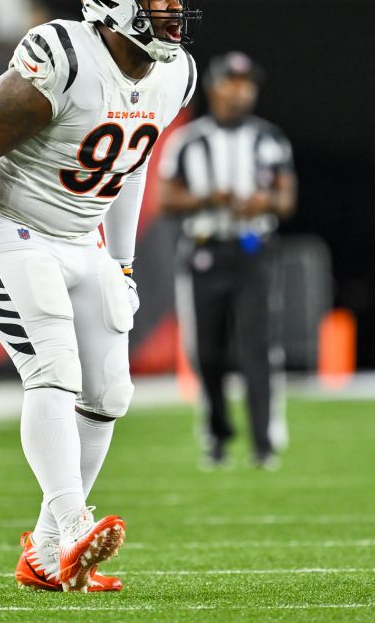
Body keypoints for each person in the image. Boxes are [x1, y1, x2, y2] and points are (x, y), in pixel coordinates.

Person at [0, 0, 201, 593]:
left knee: (109, 392)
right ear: (114, 0)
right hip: (5, 228)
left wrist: (122, 266)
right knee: (54, 367)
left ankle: (46, 553)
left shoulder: (173, 75)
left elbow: (131, 168)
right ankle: (73, 526)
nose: (173, 12)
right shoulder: (63, 58)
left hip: (80, 239)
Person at [157, 52, 297, 470]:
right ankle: (217, 436)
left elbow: (287, 199)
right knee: (208, 351)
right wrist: (207, 199)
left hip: (253, 250)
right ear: (215, 87)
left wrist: (265, 201)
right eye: (233, 83)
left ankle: (264, 441)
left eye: (247, 84)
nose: (241, 91)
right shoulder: (189, 140)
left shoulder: (270, 138)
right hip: (205, 249)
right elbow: (165, 199)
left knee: (258, 349)